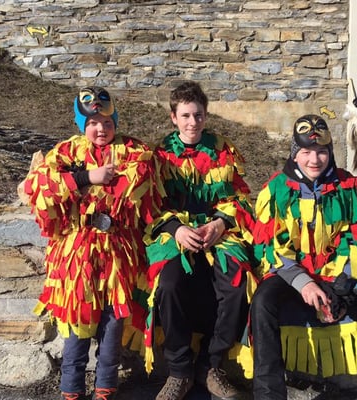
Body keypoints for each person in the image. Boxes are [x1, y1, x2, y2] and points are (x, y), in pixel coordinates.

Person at [250, 114, 357, 400]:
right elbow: (270, 247)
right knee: (262, 303)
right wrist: (304, 283)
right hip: (291, 271)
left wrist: (340, 284)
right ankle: (268, 395)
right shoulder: (276, 189)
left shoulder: (347, 187)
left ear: (330, 153)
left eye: (322, 151)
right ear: (294, 154)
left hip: (338, 271)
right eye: (306, 151)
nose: (315, 160)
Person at [24, 86, 161, 400]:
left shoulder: (133, 150)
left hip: (118, 253)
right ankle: (71, 388)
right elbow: (40, 185)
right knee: (78, 320)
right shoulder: (66, 151)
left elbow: (139, 180)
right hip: (76, 253)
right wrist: (87, 178)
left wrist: (78, 188)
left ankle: (105, 387)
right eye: (93, 123)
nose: (101, 129)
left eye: (107, 122)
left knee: (113, 322)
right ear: (81, 125)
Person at [142, 81, 257, 400]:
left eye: (198, 115)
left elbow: (240, 197)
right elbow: (151, 203)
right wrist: (176, 229)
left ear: (206, 115)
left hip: (218, 232)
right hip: (175, 234)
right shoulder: (159, 155)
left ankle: (210, 365)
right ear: (173, 117)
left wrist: (220, 223)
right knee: (168, 284)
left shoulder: (223, 150)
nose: (193, 122)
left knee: (237, 283)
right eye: (186, 115)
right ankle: (179, 371)